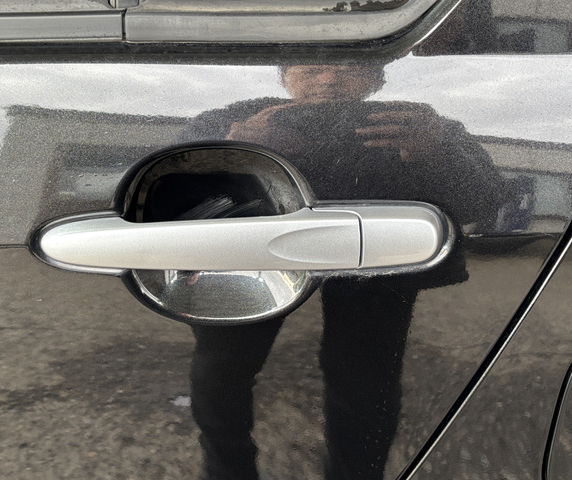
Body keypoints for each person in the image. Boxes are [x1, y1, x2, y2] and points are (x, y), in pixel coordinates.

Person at [182, 62, 504, 480]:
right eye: (313, 69)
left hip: (375, 262)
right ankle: (227, 471)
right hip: (255, 253)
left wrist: (434, 150)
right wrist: (235, 146)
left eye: (349, 67)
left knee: (365, 380)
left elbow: (485, 201)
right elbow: (176, 185)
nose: (330, 78)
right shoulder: (240, 117)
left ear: (377, 79)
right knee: (221, 370)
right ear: (284, 77)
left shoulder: (417, 123)